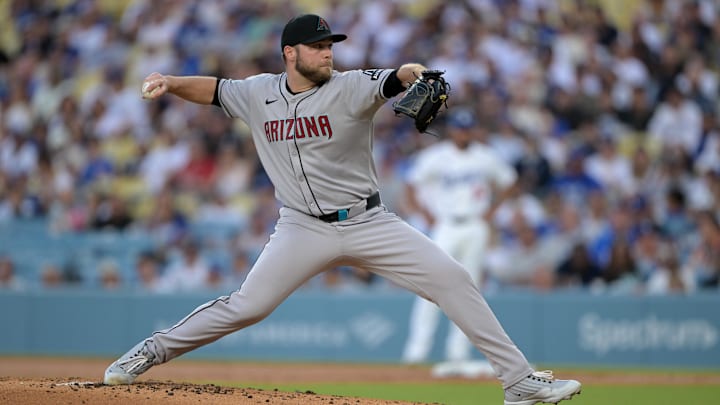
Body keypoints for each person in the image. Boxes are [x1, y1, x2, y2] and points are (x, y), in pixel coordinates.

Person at [104, 14, 581, 405]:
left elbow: (395, 78)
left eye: (330, 44)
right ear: (290, 53)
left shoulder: (350, 86)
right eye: (316, 46)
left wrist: (415, 73)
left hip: (368, 221)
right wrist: (169, 81)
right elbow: (214, 89)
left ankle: (517, 381)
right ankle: (150, 350)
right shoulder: (258, 93)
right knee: (248, 306)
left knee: (452, 278)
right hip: (300, 228)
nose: (327, 52)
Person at [401, 107, 518, 379]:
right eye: (459, 128)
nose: (463, 132)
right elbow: (411, 183)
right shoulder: (437, 156)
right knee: (430, 284)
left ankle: (458, 353)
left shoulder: (485, 156)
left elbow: (510, 182)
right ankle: (417, 351)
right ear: (452, 129)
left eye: (467, 128)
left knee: (469, 289)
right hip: (446, 224)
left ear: (472, 130)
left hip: (475, 223)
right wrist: (425, 213)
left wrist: (492, 211)